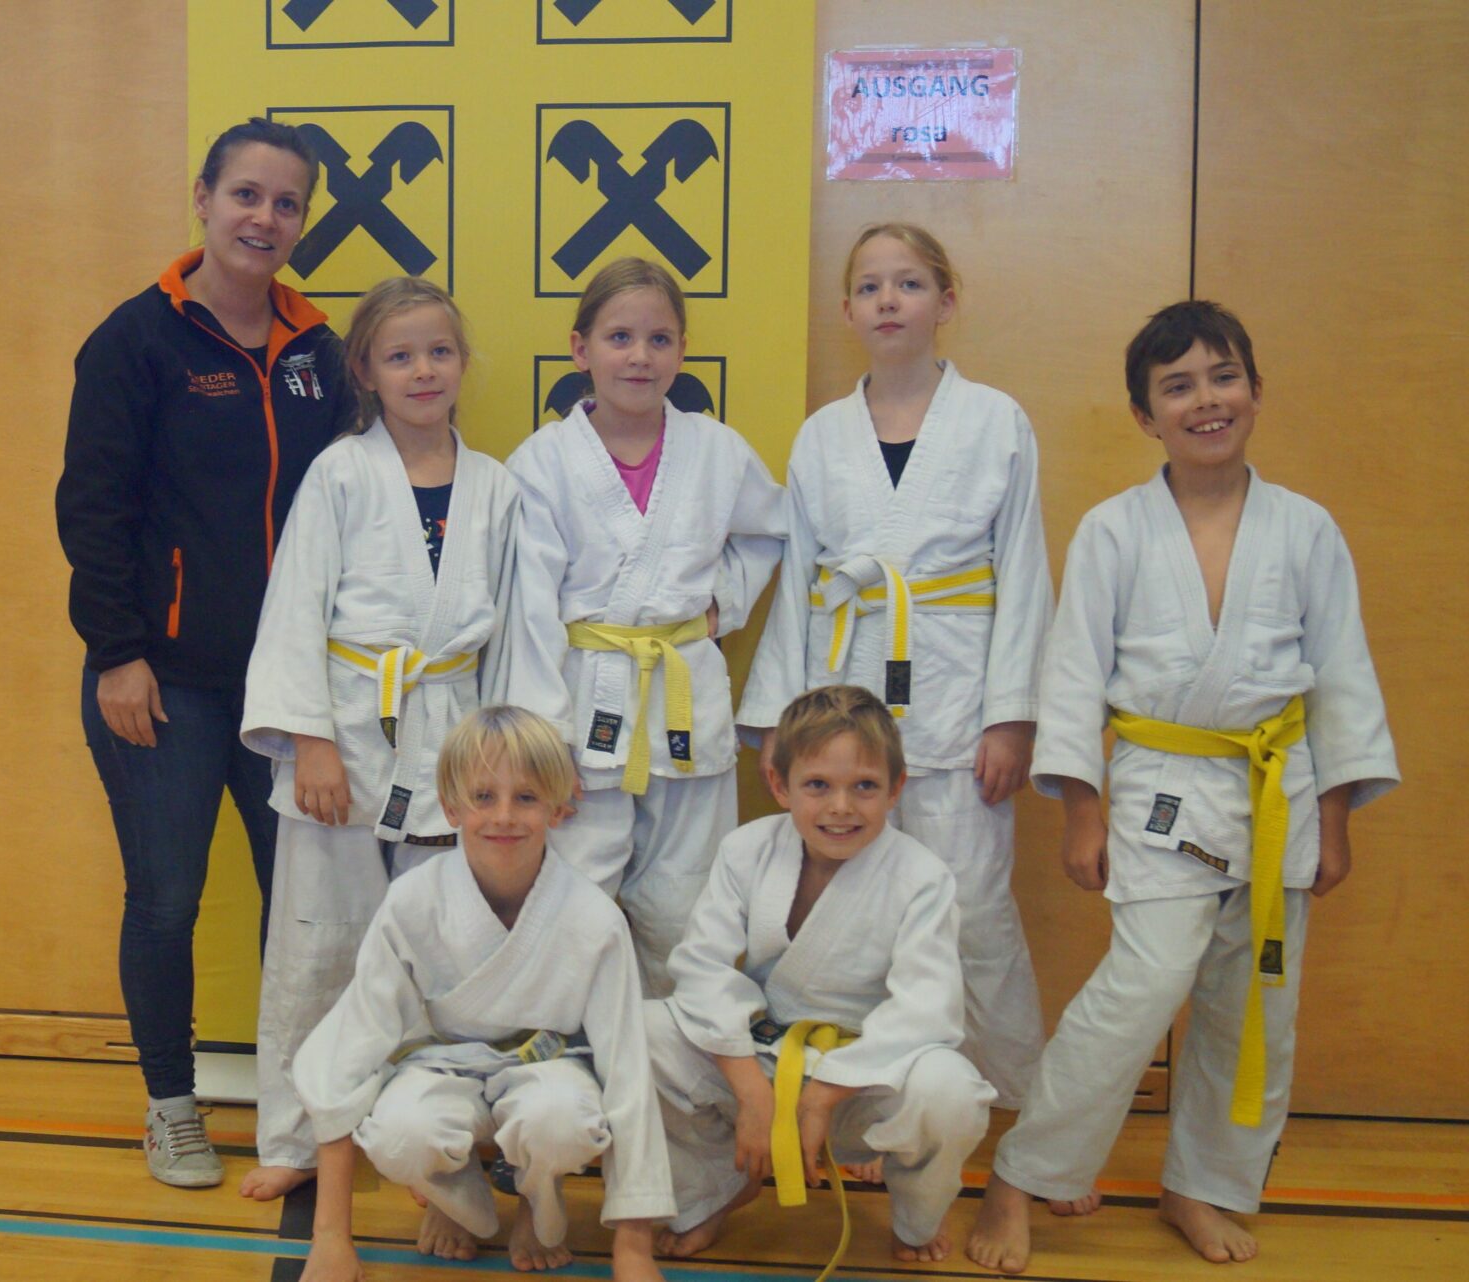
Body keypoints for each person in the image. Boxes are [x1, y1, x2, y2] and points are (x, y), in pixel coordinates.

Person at [965, 301, 1399, 1273]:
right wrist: (1081, 809)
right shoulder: (1113, 531)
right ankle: (1020, 1175)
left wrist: (1334, 818)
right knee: (1142, 986)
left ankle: (1202, 1184)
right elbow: (1073, 673)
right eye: (1178, 386)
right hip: (1160, 785)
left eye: (1222, 376)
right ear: (1143, 414)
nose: (1206, 400)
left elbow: (1341, 677)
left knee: (1253, 1007)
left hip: (1277, 789)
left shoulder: (1306, 529)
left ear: (1255, 389)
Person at [56, 117, 352, 1188]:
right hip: (162, 684)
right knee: (167, 899)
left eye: (286, 202)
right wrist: (117, 652)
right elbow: (92, 508)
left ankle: (299, 1105)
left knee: (303, 907)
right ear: (204, 198)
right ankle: (172, 1105)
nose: (264, 218)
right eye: (246, 195)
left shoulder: (320, 351)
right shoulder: (136, 340)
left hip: (287, 691)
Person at [738, 223, 1052, 1110]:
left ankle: (1009, 1105)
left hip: (959, 701)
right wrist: (785, 724)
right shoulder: (822, 436)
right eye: (871, 286)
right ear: (848, 310)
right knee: (852, 910)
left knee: (973, 912)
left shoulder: (996, 422)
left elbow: (1025, 572)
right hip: (845, 700)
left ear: (946, 302)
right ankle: (868, 1104)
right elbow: (800, 582)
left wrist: (1013, 715)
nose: (889, 300)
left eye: (909, 284)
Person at [236, 277, 519, 1200]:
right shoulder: (340, 474)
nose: (422, 370)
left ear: (463, 363)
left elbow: (517, 632)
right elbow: (296, 609)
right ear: (364, 370)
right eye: (400, 356)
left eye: (439, 351)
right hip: (348, 737)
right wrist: (310, 741)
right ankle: (295, 1133)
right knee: (319, 943)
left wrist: (504, 767)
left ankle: (434, 1131)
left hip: (454, 736)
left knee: (446, 946)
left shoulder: (497, 487)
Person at [289, 706, 675, 1282]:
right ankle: (453, 1194)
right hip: (438, 1066)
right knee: (399, 1135)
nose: (504, 816)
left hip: (550, 1069)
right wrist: (329, 1238)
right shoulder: (413, 902)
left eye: (527, 797)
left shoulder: (592, 918)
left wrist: (634, 1250)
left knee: (560, 1123)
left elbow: (627, 1071)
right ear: (451, 806)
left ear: (558, 807)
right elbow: (345, 1056)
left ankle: (538, 1196)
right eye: (483, 796)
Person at [503, 257, 785, 995]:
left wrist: (722, 607)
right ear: (580, 349)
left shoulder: (718, 450)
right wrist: (541, 738)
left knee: (685, 903)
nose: (640, 357)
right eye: (619, 337)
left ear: (682, 351)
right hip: (580, 704)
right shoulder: (541, 463)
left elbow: (768, 533)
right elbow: (527, 608)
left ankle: (676, 1051)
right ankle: (574, 1053)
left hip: (684, 687)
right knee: (572, 897)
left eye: (659, 339)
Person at [646, 685, 995, 1264]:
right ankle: (716, 1188)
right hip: (763, 1060)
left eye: (865, 786)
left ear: (896, 788)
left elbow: (925, 1009)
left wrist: (822, 1097)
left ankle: (916, 1215)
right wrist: (752, 1093)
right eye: (817, 785)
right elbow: (703, 970)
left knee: (951, 1089)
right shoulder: (746, 850)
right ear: (779, 785)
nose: (841, 807)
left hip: (863, 1079)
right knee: (645, 1031)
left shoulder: (922, 877)